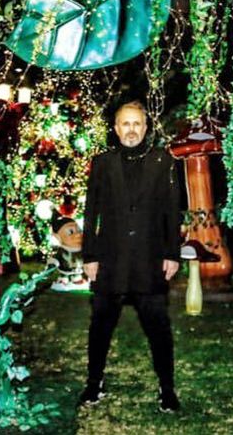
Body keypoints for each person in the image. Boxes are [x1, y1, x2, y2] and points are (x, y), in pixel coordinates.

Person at [77, 100, 183, 413]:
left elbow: (171, 213)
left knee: (159, 329)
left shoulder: (164, 162)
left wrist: (172, 254)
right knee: (100, 327)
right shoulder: (102, 163)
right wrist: (90, 256)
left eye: (137, 124)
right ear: (116, 128)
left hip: (150, 262)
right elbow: (90, 212)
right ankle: (94, 384)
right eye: (126, 124)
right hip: (110, 262)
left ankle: (167, 389)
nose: (131, 130)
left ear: (146, 127)